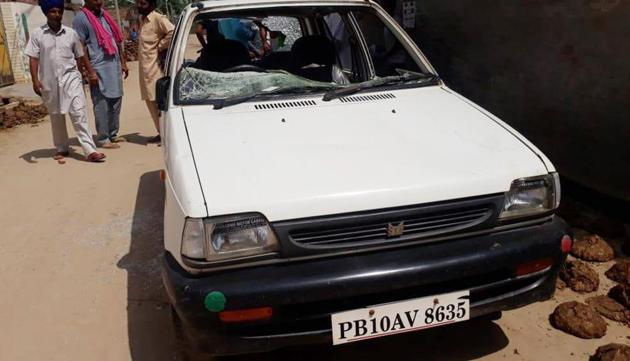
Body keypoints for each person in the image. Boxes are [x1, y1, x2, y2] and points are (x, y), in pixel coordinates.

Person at [25, 0, 106, 162]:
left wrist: (89, 73)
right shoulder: (37, 35)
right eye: (53, 12)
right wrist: (35, 81)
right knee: (56, 116)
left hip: (71, 79)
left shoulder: (71, 33)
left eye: (59, 12)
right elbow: (33, 59)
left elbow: (80, 55)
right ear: (46, 13)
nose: (57, 15)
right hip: (49, 82)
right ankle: (62, 147)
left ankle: (90, 150)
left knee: (79, 112)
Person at [73, 0, 128, 149]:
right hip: (98, 68)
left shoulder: (105, 16)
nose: (99, 2)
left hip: (114, 65)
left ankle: (113, 133)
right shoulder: (81, 19)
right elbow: (80, 47)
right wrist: (90, 71)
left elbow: (116, 40)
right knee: (101, 103)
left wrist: (122, 62)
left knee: (116, 101)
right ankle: (103, 138)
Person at [136, 0, 174, 144]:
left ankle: (167, 134)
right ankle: (160, 132)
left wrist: (161, 45)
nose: (139, 6)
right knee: (150, 102)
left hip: (155, 68)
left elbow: (172, 31)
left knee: (159, 102)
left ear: (151, 5)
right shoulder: (143, 21)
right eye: (138, 3)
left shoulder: (158, 18)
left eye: (143, 3)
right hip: (144, 70)